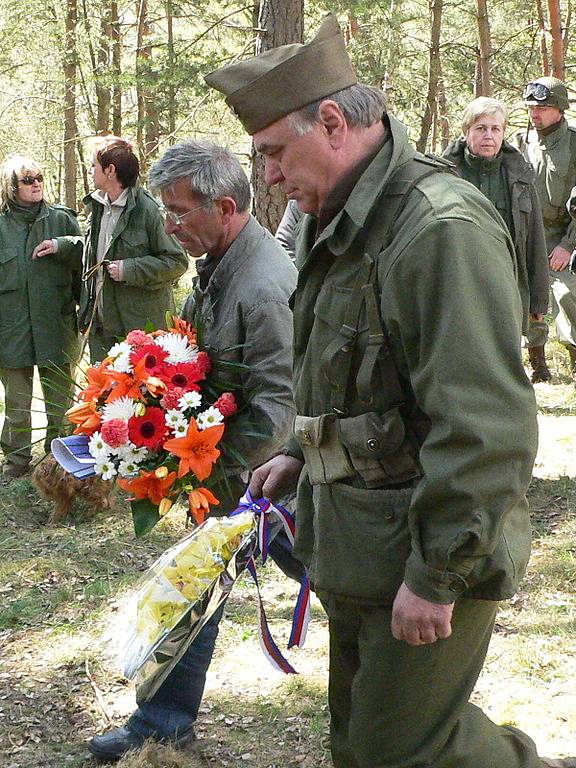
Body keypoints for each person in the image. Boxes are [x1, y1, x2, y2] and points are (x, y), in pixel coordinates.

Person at [206, 14, 574, 768]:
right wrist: (300, 455)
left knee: (401, 752)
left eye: (275, 152)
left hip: (428, 548)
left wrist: (436, 577)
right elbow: (349, 381)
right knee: (360, 744)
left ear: (332, 123)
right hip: (355, 541)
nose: (269, 176)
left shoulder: (438, 229)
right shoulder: (335, 221)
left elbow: (486, 428)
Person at [88, 140, 300, 762]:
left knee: (345, 590)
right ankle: (160, 724)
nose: (170, 224)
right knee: (195, 588)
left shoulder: (262, 286)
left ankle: (406, 694)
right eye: (165, 210)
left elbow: (279, 407)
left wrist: (196, 456)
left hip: (274, 484)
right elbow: (194, 362)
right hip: (230, 475)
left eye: (179, 213)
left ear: (226, 206)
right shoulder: (215, 263)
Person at [34, 136, 188, 363]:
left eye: (94, 165)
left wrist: (129, 269)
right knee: (103, 397)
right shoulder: (98, 206)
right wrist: (61, 245)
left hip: (138, 334)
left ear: (110, 170)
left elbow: (177, 262)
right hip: (101, 330)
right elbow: (96, 252)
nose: (90, 171)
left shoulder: (149, 210)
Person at [443, 96, 549, 382]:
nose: (488, 135)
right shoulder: (441, 173)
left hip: (506, 285)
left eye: (495, 129)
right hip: (457, 283)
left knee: (503, 364)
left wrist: (538, 300)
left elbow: (534, 239)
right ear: (466, 132)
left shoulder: (519, 176)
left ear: (503, 133)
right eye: (480, 128)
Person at [0, 155, 81, 479]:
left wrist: (64, 245)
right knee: (17, 407)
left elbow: (85, 261)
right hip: (11, 330)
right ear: (11, 186)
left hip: (55, 327)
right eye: (28, 179)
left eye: (39, 178)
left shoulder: (62, 220)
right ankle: (16, 464)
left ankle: (57, 465)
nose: (36, 184)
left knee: (60, 406)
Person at [518, 77, 576, 385]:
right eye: (531, 107)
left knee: (569, 292)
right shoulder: (519, 142)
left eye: (542, 107)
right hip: (527, 235)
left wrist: (568, 245)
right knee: (528, 300)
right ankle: (537, 366)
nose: (535, 113)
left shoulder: (575, 143)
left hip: (565, 236)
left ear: (560, 109)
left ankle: (574, 360)